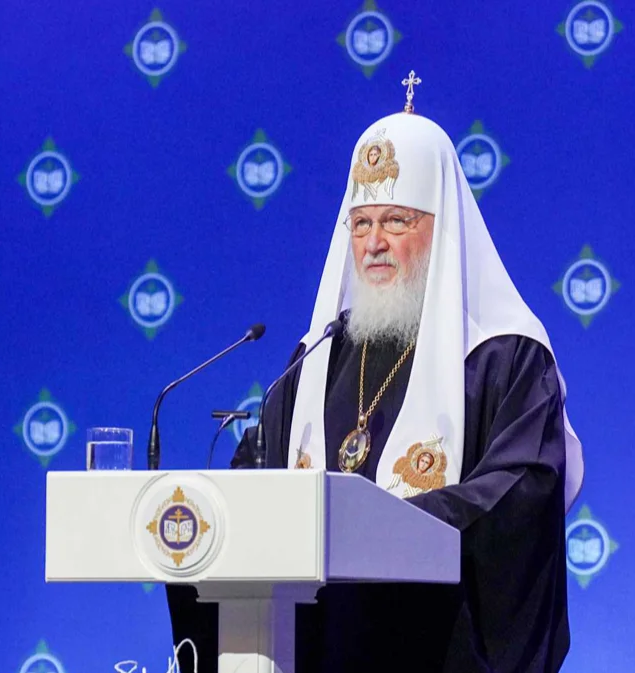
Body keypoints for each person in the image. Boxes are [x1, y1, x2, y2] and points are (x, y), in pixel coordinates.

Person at [167, 79, 584, 673]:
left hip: (434, 648)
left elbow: (523, 491)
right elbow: (258, 475)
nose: (374, 245)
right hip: (312, 644)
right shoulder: (319, 357)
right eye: (361, 224)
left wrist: (385, 525)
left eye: (396, 221)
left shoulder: (504, 355)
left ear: (442, 230)